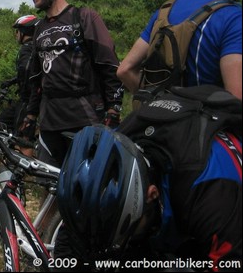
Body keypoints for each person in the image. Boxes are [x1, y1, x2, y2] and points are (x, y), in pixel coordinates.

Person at [56, 94, 242, 271]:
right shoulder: (119, 143)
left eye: (129, 231)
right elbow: (71, 244)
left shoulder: (212, 194)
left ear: (152, 194)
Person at [23, 0, 124, 168]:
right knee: (48, 184)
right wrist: (30, 118)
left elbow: (110, 66)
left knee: (84, 190)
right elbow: (37, 79)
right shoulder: (39, 28)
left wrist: (113, 110)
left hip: (85, 120)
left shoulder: (84, 17)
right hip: (50, 122)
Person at [0, 15, 39, 156]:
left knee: (24, 140)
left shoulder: (26, 49)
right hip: (29, 100)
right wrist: (13, 81)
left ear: (24, 32)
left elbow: (27, 71)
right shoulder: (35, 48)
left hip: (28, 102)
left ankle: (23, 173)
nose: (15, 34)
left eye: (17, 31)